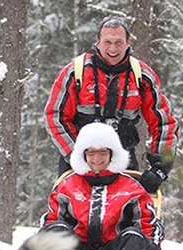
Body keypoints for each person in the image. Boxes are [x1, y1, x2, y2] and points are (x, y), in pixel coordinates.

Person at [41, 122, 166, 250]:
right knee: (56, 231)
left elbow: (148, 228)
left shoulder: (131, 189)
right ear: (83, 155)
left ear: (112, 154)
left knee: (134, 236)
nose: (97, 159)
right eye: (91, 153)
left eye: (102, 153)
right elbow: (52, 221)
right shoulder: (67, 186)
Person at [44, 15, 179, 193]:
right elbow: (55, 117)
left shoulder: (142, 76)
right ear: (97, 42)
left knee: (127, 215)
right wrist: (76, 154)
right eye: (107, 42)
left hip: (124, 160)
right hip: (77, 162)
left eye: (118, 42)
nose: (113, 48)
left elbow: (164, 123)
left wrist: (160, 167)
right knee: (70, 214)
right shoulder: (74, 72)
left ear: (128, 43)